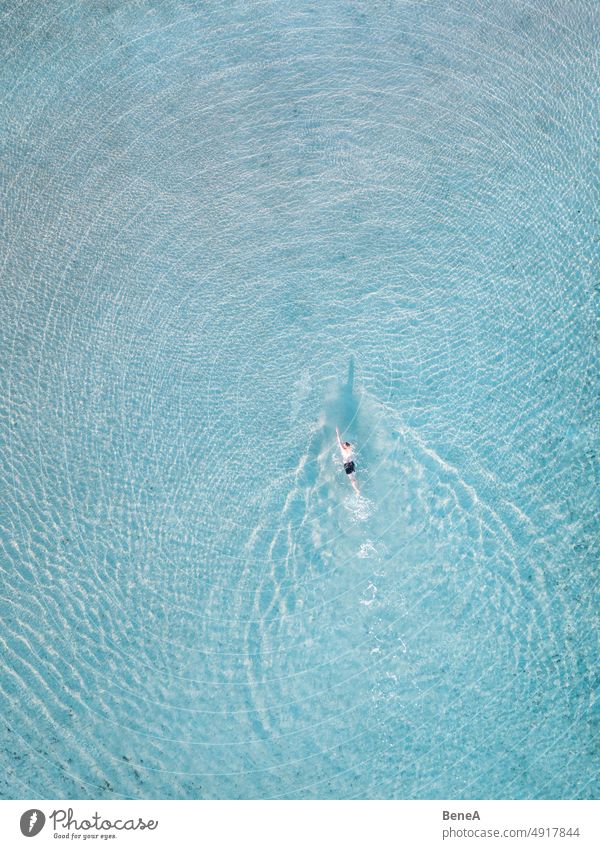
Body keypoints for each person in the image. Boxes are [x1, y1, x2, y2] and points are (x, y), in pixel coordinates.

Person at [336, 426, 360, 494]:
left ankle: (357, 490)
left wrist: (337, 433)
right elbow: (345, 443)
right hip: (351, 463)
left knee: (352, 480)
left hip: (347, 464)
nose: (342, 444)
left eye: (343, 444)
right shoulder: (350, 449)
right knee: (354, 477)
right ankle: (358, 488)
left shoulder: (343, 450)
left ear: (344, 446)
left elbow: (339, 440)